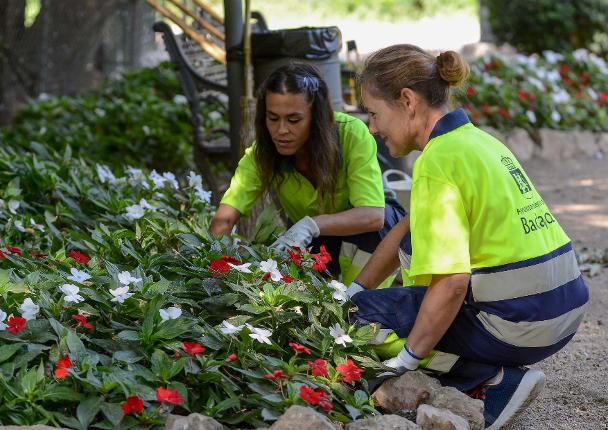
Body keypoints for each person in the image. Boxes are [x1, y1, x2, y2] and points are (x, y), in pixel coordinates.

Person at [346, 44, 588, 430]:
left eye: (374, 113)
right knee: (388, 274)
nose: (373, 128)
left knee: (362, 317)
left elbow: (453, 282)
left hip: (520, 324)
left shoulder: (436, 161)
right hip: (563, 311)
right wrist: (356, 286)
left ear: (407, 101)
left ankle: (491, 380)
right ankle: (483, 366)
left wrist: (408, 359)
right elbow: (409, 226)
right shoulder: (478, 141)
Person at [210, 63, 411, 285]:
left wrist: (311, 224)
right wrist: (219, 270)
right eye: (273, 118)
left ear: (317, 117)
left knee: (355, 308)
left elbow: (373, 216)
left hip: (372, 236)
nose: (282, 130)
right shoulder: (263, 153)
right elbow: (224, 219)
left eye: (294, 120)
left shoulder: (351, 133)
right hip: (312, 240)